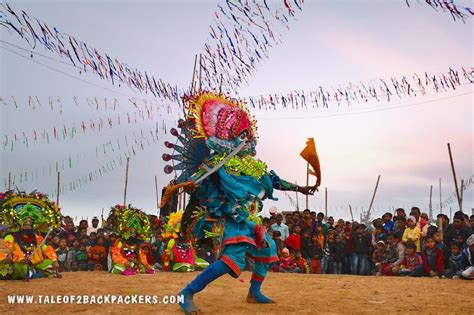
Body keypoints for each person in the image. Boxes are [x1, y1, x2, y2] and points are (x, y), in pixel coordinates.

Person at [169, 92, 319, 313]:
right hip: (226, 217)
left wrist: (299, 188)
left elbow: (274, 181)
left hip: (247, 218)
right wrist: (193, 184)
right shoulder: (216, 161)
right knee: (234, 260)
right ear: (230, 137)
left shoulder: (254, 166)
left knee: (267, 248)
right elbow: (197, 181)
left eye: (249, 135)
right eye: (242, 135)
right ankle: (187, 293)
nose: (247, 139)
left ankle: (254, 292)